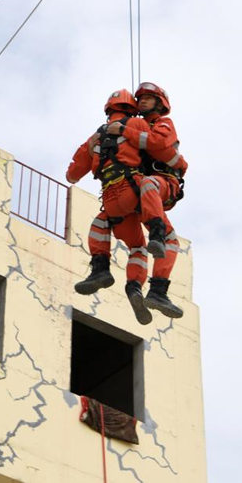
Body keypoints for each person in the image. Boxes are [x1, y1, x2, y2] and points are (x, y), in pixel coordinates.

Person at [67, 89, 153, 325]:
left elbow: (72, 174)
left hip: (110, 199)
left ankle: (100, 269)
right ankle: (135, 287)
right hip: (133, 190)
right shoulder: (138, 124)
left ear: (109, 110)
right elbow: (159, 149)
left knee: (99, 224)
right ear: (131, 109)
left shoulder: (94, 138)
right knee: (138, 247)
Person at [109, 82, 188, 318]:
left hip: (163, 184)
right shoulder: (134, 125)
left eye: (149, 98)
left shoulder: (164, 124)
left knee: (149, 185)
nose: (142, 101)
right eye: (140, 98)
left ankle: (156, 237)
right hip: (140, 193)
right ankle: (143, 289)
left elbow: (159, 144)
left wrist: (124, 131)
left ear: (159, 103)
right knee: (162, 241)